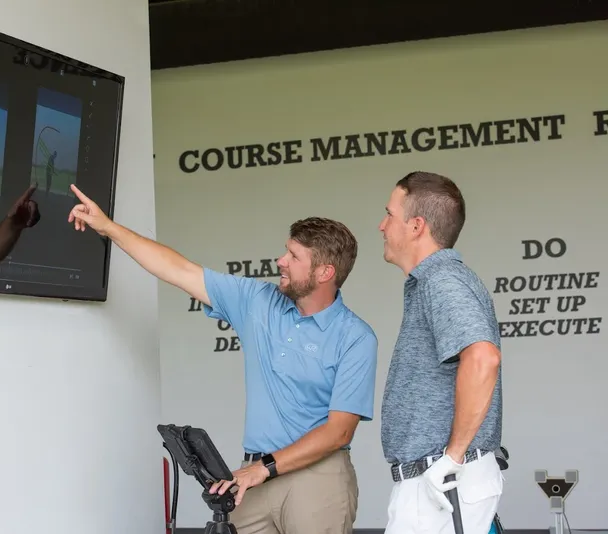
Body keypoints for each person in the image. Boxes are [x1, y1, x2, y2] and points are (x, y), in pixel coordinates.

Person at [67, 184, 378, 534]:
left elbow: (339, 431)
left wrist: (267, 468)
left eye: (294, 256)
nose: (281, 261)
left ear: (324, 273)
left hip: (317, 480)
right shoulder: (258, 301)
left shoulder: (355, 337)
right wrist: (108, 227)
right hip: (255, 475)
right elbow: (179, 270)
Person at [378, 171, 503, 534]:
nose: (381, 225)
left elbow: (483, 357)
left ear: (416, 226)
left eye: (389, 214)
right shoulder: (435, 280)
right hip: (441, 481)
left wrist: (452, 457)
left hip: (443, 481)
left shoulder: (442, 279)